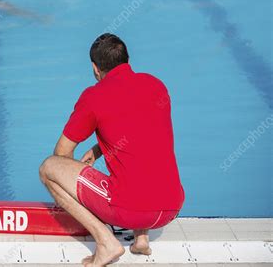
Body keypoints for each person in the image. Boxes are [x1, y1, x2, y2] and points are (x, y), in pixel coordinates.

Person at [39, 33, 185, 266]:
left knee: (48, 168)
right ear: (127, 60)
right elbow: (142, 133)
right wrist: (99, 150)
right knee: (143, 161)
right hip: (172, 206)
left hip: (131, 209)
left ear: (95, 68)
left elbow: (62, 153)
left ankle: (105, 242)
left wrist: (76, 178)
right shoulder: (155, 85)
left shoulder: (94, 96)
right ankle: (141, 239)